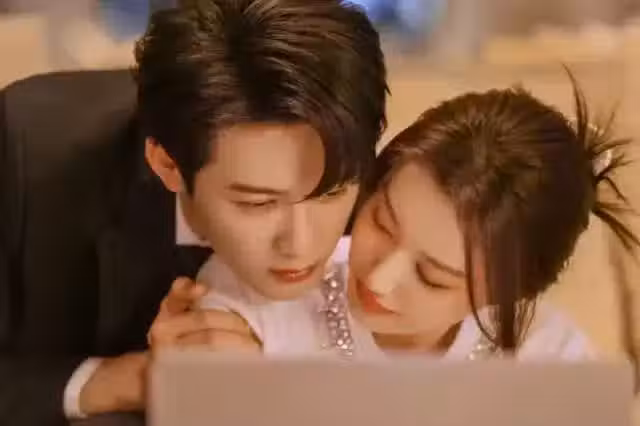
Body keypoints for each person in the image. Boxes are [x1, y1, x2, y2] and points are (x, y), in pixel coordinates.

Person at [0, 1, 387, 425]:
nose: (302, 244)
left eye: (331, 193)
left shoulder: (385, 194)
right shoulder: (27, 154)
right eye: (256, 203)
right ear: (167, 164)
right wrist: (130, 379)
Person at [346, 79, 637, 359]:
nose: (378, 280)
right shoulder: (314, 276)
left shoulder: (550, 358)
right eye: (381, 224)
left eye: (432, 278)